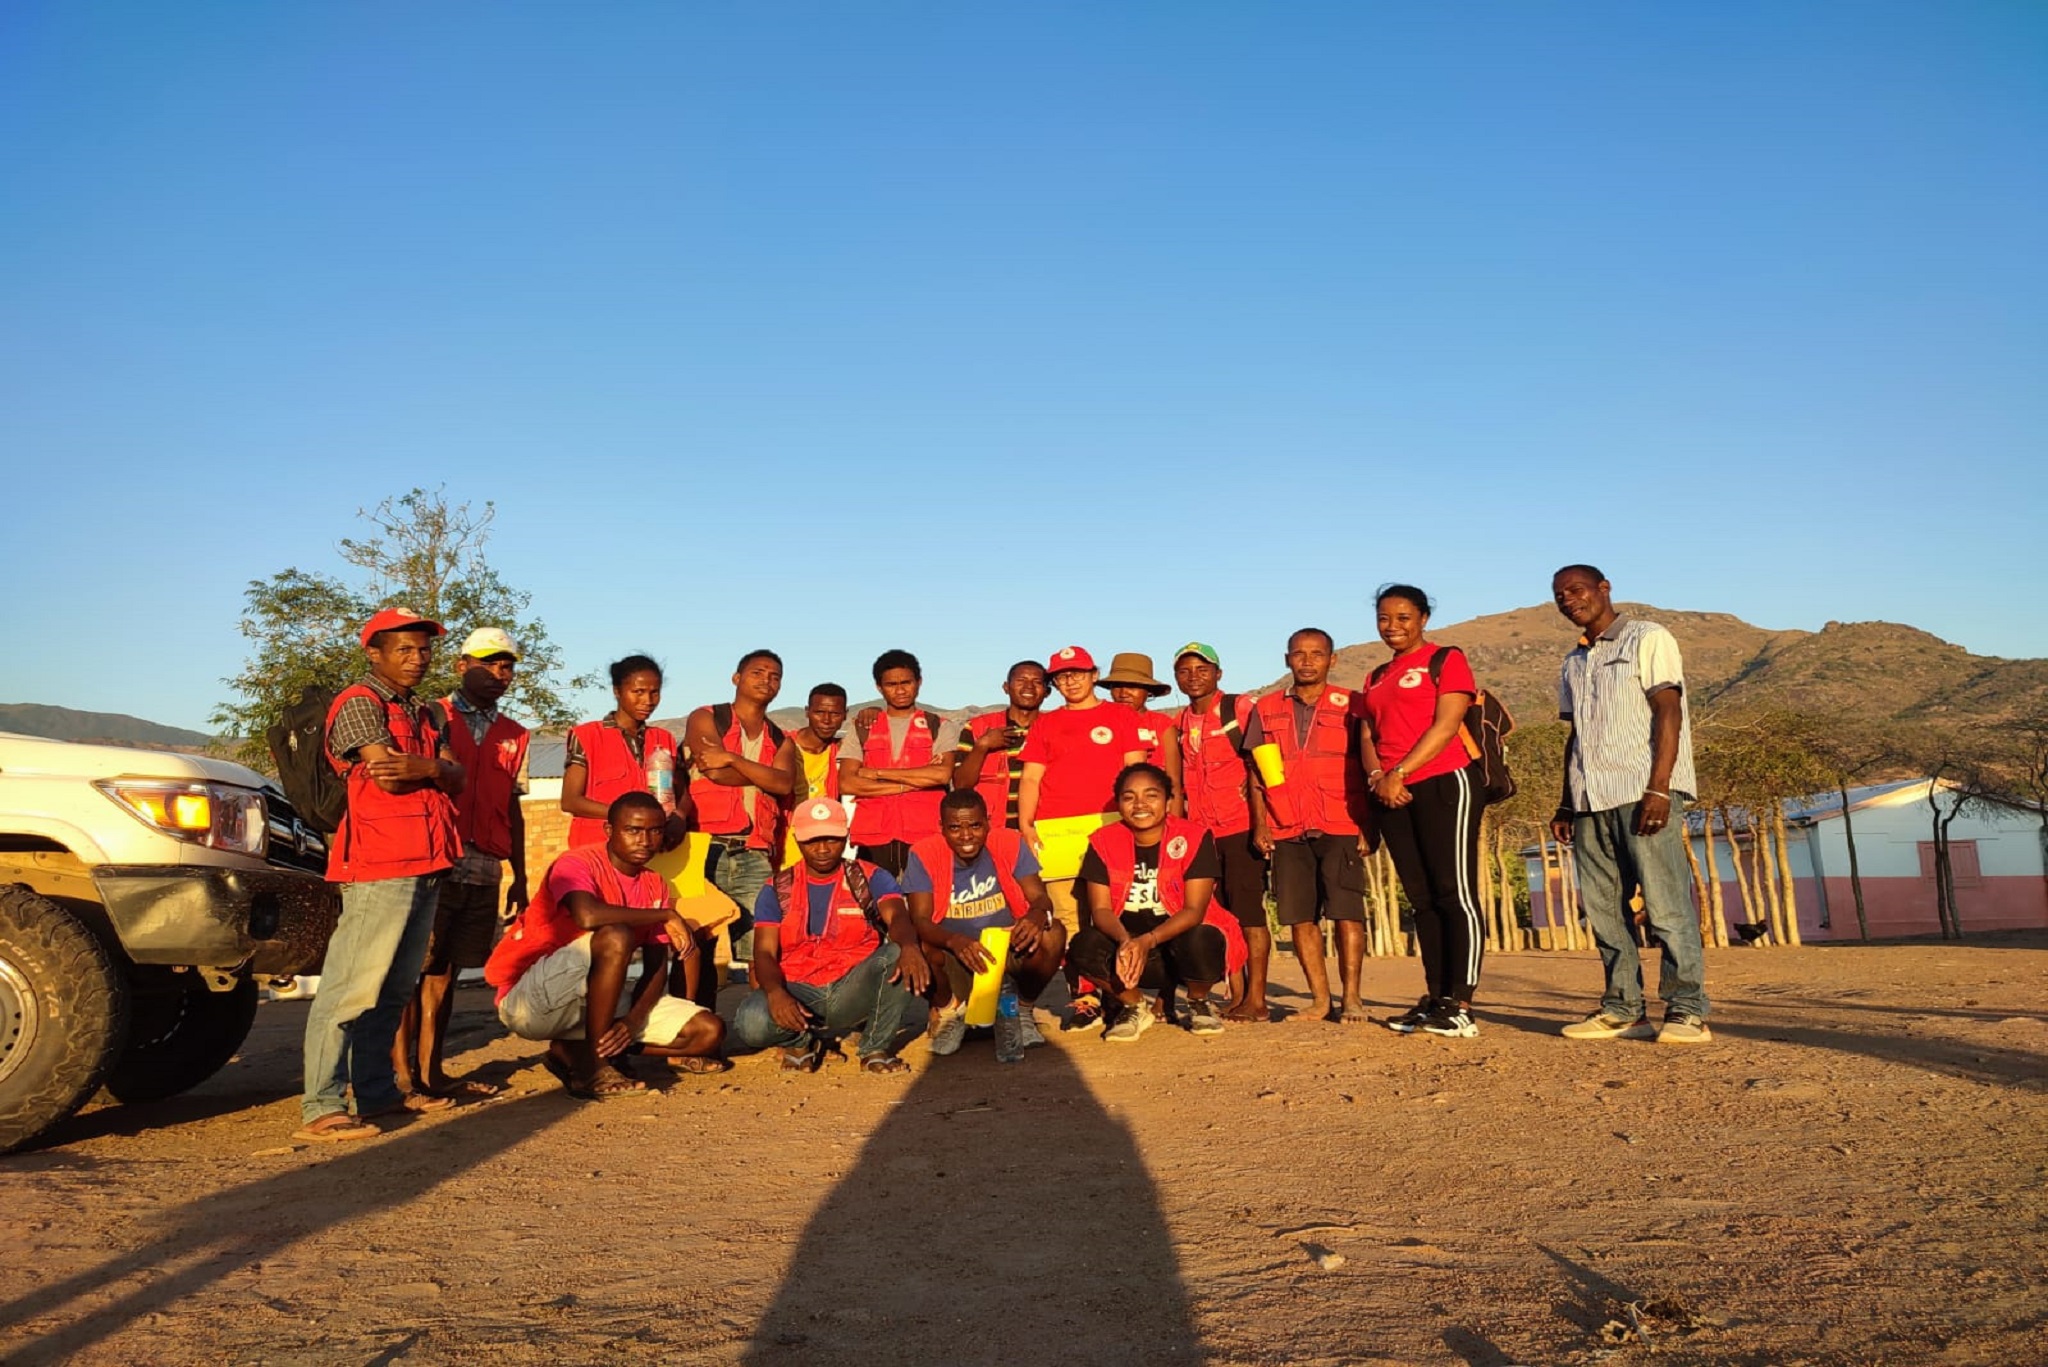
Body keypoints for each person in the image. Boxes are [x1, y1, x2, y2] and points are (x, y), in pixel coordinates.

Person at [296, 609, 466, 1142]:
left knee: (392, 990)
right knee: (351, 988)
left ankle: (375, 1093)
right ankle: (321, 1106)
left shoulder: (424, 713)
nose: (418, 659)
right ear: (375, 653)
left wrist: (431, 767)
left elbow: (454, 776)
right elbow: (387, 777)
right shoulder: (357, 704)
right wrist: (433, 767)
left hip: (427, 860)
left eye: (424, 650)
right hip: (379, 864)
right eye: (405, 650)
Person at [1549, 565, 1711, 1044]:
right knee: (1604, 911)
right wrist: (1565, 804)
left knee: (1666, 907)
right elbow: (1576, 735)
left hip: (1642, 792)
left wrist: (1659, 788)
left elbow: (1668, 709)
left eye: (1576, 590)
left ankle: (1687, 1011)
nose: (1568, 599)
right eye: (1559, 595)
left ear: (1604, 589)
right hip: (1588, 800)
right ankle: (1624, 1010)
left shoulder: (1647, 637)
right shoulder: (1573, 661)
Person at [485, 793, 727, 1099]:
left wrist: (633, 1021)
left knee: (708, 1031)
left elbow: (656, 968)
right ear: (609, 831)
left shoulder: (655, 883)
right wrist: (666, 913)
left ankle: (575, 1050)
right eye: (634, 830)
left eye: (655, 831)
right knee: (616, 935)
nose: (645, 840)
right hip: (531, 1001)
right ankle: (595, 1066)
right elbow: (587, 916)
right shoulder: (576, 863)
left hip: (590, 1007)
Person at [391, 627, 531, 1100]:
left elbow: (512, 806)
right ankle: (401, 1076)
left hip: (486, 863)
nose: (499, 673)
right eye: (488, 663)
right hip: (434, 856)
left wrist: (520, 874)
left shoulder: (516, 735)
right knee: (414, 966)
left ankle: (432, 1071)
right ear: (461, 665)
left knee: (447, 971)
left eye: (507, 665)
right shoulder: (431, 715)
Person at [1356, 587, 1486, 1039]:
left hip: (1443, 780)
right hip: (1390, 793)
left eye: (1404, 617)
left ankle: (1461, 1003)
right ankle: (1435, 998)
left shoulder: (1445, 659)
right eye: (1385, 618)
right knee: (1423, 900)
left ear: (1424, 618)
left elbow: (1446, 724)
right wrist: (1378, 778)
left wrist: (1402, 772)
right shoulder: (1374, 676)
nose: (1393, 626)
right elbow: (1368, 734)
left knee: (1455, 894)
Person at [730, 798, 930, 1074]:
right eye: (813, 841)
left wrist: (909, 945)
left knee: (899, 952)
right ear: (798, 841)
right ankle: (802, 1041)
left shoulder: (870, 877)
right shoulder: (775, 888)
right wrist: (776, 993)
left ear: (846, 836)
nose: (823, 849)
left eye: (832, 839)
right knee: (750, 1023)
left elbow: (897, 916)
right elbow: (763, 952)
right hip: (798, 989)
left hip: (852, 986)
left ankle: (874, 1047)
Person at [1016, 646, 1151, 1028]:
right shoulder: (1045, 723)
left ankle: (1122, 994)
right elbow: (1031, 778)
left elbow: (1136, 771)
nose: (1070, 680)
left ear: (1094, 674)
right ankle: (1086, 998)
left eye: (1077, 672)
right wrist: (1026, 825)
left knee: (1114, 912)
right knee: (1070, 917)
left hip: (1111, 827)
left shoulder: (1120, 716)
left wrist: (1136, 823)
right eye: (1061, 676)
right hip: (1058, 831)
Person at [1244, 628, 1371, 1025]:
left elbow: (1370, 766)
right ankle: (1320, 1001)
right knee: (1300, 917)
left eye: (1317, 654)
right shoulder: (1265, 708)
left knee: (1347, 913)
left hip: (1341, 820)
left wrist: (1369, 825)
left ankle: (1352, 1000)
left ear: (1332, 660)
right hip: (1285, 824)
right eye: (1299, 654)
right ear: (1287, 659)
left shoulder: (1354, 705)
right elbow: (1256, 773)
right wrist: (1260, 824)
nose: (1307, 660)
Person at [1066, 764, 1246, 1041]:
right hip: (1132, 952)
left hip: (1177, 949)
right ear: (1119, 804)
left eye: (1151, 795)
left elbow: (1194, 911)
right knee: (1083, 944)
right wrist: (1126, 941)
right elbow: (1100, 909)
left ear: (1169, 801)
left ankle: (1198, 1001)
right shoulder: (1103, 842)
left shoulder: (1194, 837)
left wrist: (1148, 940)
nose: (1140, 804)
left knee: (1201, 936)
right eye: (1129, 797)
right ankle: (1135, 1005)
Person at [903, 789, 1065, 1064]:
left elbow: (1039, 897)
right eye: (955, 828)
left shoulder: (1009, 843)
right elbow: (920, 920)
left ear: (987, 823)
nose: (966, 836)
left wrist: (1037, 914)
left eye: (975, 826)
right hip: (956, 954)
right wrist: (955, 941)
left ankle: (1022, 1010)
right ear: (941, 828)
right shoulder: (924, 853)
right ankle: (950, 1011)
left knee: (1054, 931)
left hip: (1006, 947)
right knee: (917, 945)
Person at [1170, 642, 1272, 1022]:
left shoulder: (1239, 708)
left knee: (1249, 914)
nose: (1193, 676)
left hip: (1239, 825)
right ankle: (1238, 994)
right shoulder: (1181, 721)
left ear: (1218, 674)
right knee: (1220, 914)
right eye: (1184, 670)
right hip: (1200, 833)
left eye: (1202, 669)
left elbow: (1260, 761)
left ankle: (1258, 999)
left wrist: (1261, 821)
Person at [684, 649, 801, 969]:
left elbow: (783, 784)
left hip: (754, 849)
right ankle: (697, 1016)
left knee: (760, 946)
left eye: (775, 676)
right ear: (736, 678)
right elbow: (713, 771)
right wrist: (764, 775)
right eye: (758, 672)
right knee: (697, 942)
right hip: (704, 844)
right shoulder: (707, 717)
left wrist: (734, 758)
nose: (767, 680)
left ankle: (761, 1016)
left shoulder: (781, 739)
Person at [839, 649, 956, 879]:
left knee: (927, 908)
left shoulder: (939, 725)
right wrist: (914, 782)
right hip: (873, 837)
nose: (900, 690)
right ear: (879, 688)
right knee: (875, 909)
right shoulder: (862, 727)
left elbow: (941, 775)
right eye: (891, 684)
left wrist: (874, 773)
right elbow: (848, 783)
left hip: (926, 833)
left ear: (919, 682)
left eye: (906, 682)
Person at [561, 655, 689, 850]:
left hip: (652, 852)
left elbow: (682, 793)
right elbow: (571, 801)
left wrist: (680, 816)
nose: (647, 700)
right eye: (638, 692)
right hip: (598, 850)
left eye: (654, 692)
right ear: (617, 691)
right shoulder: (587, 736)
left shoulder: (664, 739)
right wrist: (630, 816)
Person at [952, 660, 1050, 830]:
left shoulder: (1054, 729)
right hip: (993, 831)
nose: (1029, 687)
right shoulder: (977, 727)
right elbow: (961, 784)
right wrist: (982, 746)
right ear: (1006, 687)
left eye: (1037, 682)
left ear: (1047, 692)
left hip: (1041, 829)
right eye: (1021, 681)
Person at [1102, 652, 1183, 805]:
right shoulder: (1100, 725)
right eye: (1117, 686)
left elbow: (1174, 785)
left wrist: (1175, 826)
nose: (1123, 693)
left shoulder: (1162, 725)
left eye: (1133, 686)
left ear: (1148, 690)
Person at [782, 683, 850, 866]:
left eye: (835, 714)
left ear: (846, 714)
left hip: (824, 842)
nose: (826, 720)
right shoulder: (781, 744)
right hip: (785, 837)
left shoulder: (842, 750)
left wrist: (873, 712)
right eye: (819, 712)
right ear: (807, 711)